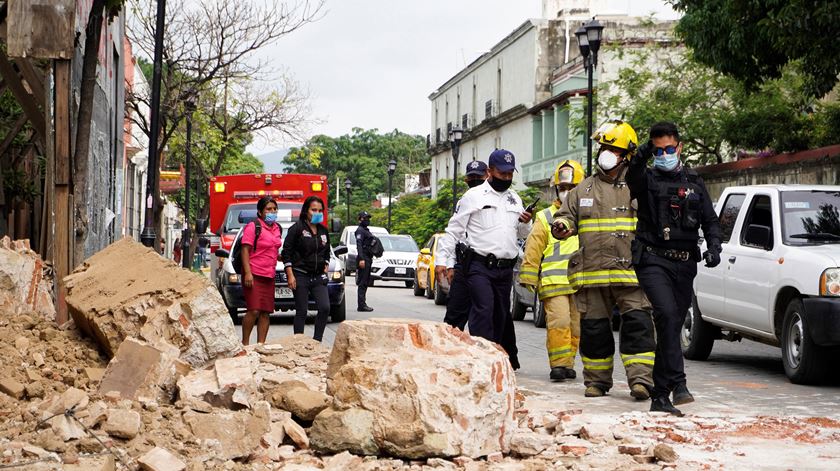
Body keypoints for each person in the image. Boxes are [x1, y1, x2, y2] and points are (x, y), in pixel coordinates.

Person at [551, 119, 656, 400]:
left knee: (638, 327)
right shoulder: (582, 190)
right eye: (602, 147)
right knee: (594, 331)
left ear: (627, 155)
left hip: (631, 275)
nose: (604, 153)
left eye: (611, 148)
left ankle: (641, 381)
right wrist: (561, 225)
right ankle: (596, 382)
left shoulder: (640, 187)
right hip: (593, 275)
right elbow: (564, 217)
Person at [627, 122, 722, 416]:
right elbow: (632, 176)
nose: (665, 154)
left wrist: (715, 247)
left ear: (679, 148)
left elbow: (710, 219)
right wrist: (643, 151)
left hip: (685, 262)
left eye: (670, 149)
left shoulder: (694, 181)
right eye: (659, 150)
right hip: (653, 260)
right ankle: (662, 393)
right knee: (666, 315)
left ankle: (675, 386)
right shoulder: (647, 178)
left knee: (673, 324)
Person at [436, 149, 532, 354]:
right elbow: (454, 230)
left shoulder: (514, 198)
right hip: (479, 265)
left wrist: (526, 222)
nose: (506, 178)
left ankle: (494, 355)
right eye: (502, 173)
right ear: (490, 171)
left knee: (500, 315)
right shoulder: (473, 196)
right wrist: (442, 260)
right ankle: (481, 355)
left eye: (509, 174)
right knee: (483, 309)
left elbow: (522, 234)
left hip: (505, 268)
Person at [520, 160, 583, 381]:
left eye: (572, 187)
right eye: (563, 188)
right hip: (553, 281)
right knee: (560, 323)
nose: (567, 192)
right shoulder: (545, 217)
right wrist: (528, 275)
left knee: (575, 327)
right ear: (556, 189)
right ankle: (558, 365)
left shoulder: (587, 215)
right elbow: (534, 247)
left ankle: (568, 363)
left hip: (579, 283)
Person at [443, 160, 489, 330]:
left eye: (479, 176)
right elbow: (455, 234)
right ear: (466, 180)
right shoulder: (464, 201)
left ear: (488, 175)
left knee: (485, 320)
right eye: (472, 177)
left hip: (487, 266)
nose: (475, 180)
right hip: (464, 264)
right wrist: (450, 265)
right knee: (454, 319)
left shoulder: (500, 198)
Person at [282, 196, 333, 342]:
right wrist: (290, 275)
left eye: (320, 210)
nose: (317, 213)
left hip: (318, 277)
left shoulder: (323, 230)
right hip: (300, 275)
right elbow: (287, 253)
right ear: (306, 211)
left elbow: (327, 251)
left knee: (324, 308)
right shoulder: (297, 229)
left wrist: (326, 265)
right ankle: (298, 342)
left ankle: (317, 341)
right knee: (302, 310)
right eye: (314, 210)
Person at [240, 196, 283, 346]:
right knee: (253, 310)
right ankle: (245, 344)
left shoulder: (277, 228)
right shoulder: (253, 226)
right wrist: (248, 273)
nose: (272, 212)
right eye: (268, 209)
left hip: (269, 275)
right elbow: (245, 250)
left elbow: (271, 249)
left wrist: (279, 257)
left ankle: (261, 345)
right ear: (260, 212)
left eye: (274, 209)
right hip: (254, 273)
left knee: (265, 312)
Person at [355, 211, 375, 312]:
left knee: (366, 281)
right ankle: (361, 305)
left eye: (368, 218)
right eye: (365, 218)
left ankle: (363, 303)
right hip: (364, 258)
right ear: (360, 219)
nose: (367, 220)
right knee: (362, 282)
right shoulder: (360, 231)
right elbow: (359, 245)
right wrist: (362, 259)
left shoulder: (365, 230)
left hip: (368, 258)